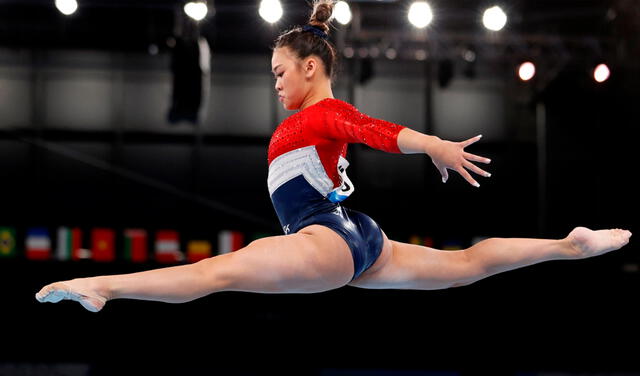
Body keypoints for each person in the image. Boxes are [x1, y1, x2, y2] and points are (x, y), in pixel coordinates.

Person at [36, 0, 631, 313]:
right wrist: (315, 21)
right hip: (358, 238)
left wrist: (433, 146)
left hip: (325, 237)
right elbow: (315, 55)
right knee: (468, 265)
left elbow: (379, 130)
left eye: (279, 73)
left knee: (211, 275)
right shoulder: (309, 114)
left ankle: (101, 287)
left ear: (310, 69)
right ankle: (567, 246)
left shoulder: (321, 114)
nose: (274, 84)